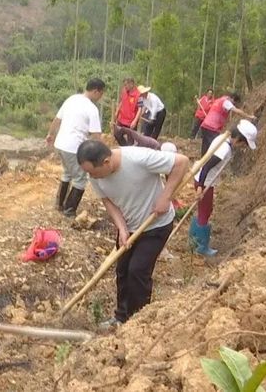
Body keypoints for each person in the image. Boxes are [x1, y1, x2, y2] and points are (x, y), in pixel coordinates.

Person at [76, 140, 189, 329]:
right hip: (129, 227)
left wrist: (165, 197)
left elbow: (182, 162)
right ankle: (121, 317)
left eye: (92, 172)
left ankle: (139, 323)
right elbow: (108, 202)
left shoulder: (138, 158)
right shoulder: (95, 176)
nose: (90, 177)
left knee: (137, 271)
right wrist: (121, 227)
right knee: (122, 271)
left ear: (106, 162)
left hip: (156, 225)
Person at [190, 120, 258, 256]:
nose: (242, 147)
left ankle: (195, 241)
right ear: (238, 139)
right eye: (243, 143)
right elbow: (207, 166)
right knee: (205, 211)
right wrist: (200, 188)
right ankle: (199, 247)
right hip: (204, 181)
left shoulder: (223, 138)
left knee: (205, 209)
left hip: (205, 180)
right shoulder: (224, 149)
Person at [46, 78, 105, 217]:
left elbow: (57, 119)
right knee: (80, 178)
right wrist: (98, 154)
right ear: (96, 91)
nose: (101, 97)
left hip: (60, 144)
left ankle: (59, 204)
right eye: (101, 93)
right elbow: (96, 135)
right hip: (73, 148)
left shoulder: (71, 99)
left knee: (67, 172)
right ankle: (69, 210)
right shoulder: (92, 108)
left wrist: (50, 134)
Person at [112, 77, 142, 146]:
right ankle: (125, 147)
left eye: (126, 85)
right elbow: (121, 102)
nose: (125, 86)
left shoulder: (139, 95)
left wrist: (135, 121)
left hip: (131, 121)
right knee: (116, 134)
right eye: (124, 85)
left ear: (132, 84)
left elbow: (140, 108)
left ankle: (129, 150)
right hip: (121, 119)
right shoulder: (124, 91)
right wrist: (117, 112)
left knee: (130, 139)